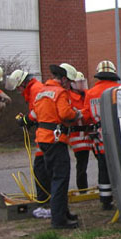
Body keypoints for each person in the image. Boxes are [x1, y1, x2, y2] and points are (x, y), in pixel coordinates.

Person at [29, 63, 82, 229]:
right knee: (60, 178)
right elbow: (65, 113)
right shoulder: (60, 92)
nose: (70, 85)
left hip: (44, 139)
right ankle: (59, 219)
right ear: (64, 79)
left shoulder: (42, 91)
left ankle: (63, 212)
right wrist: (76, 113)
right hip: (55, 140)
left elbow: (34, 114)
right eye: (70, 81)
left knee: (54, 177)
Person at [6, 69, 51, 217]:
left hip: (46, 136)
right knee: (42, 168)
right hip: (44, 134)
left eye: (19, 87)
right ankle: (45, 201)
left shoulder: (35, 89)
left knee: (40, 169)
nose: (19, 90)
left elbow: (37, 112)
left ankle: (45, 202)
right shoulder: (34, 89)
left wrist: (25, 120)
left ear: (23, 83)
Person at [82, 60, 121, 210]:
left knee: (103, 168)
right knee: (120, 168)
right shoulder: (120, 89)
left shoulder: (90, 93)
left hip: (100, 139)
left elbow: (86, 116)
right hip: (119, 138)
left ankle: (105, 200)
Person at [68, 72, 94, 192]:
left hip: (90, 133)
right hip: (78, 135)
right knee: (82, 165)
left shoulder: (87, 94)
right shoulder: (69, 97)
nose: (82, 84)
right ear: (72, 84)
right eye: (80, 82)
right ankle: (83, 189)